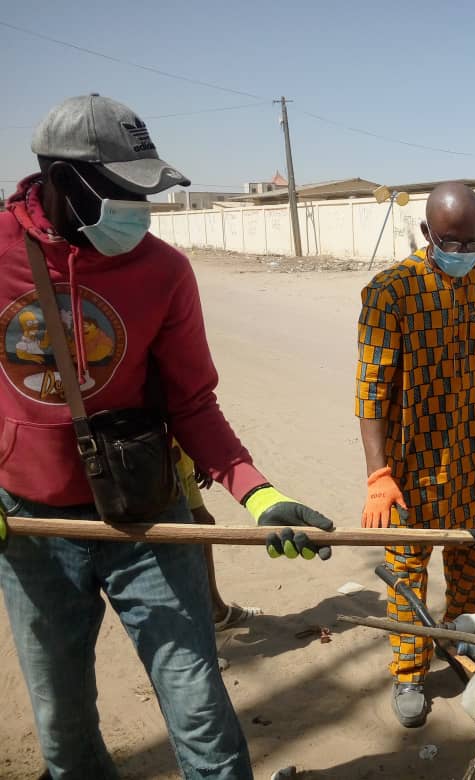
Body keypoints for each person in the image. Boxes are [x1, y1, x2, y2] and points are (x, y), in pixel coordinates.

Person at [0, 94, 334, 780]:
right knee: (63, 727)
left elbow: (193, 403)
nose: (140, 210)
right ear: (65, 181)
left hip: (147, 518)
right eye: (125, 191)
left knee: (201, 714)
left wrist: (260, 495)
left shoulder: (164, 272)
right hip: (29, 529)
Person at [355, 182, 475, 727]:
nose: (462, 252)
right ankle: (409, 672)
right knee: (407, 572)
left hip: (470, 462)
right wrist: (378, 473)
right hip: (409, 466)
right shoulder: (389, 292)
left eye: (474, 242)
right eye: (451, 242)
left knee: (469, 564)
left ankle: (459, 644)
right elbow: (371, 390)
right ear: (427, 234)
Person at [173, 446, 262, 630]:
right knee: (179, 543)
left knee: (203, 522)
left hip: (181, 457)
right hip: (165, 464)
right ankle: (193, 631)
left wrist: (198, 454)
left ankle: (216, 609)